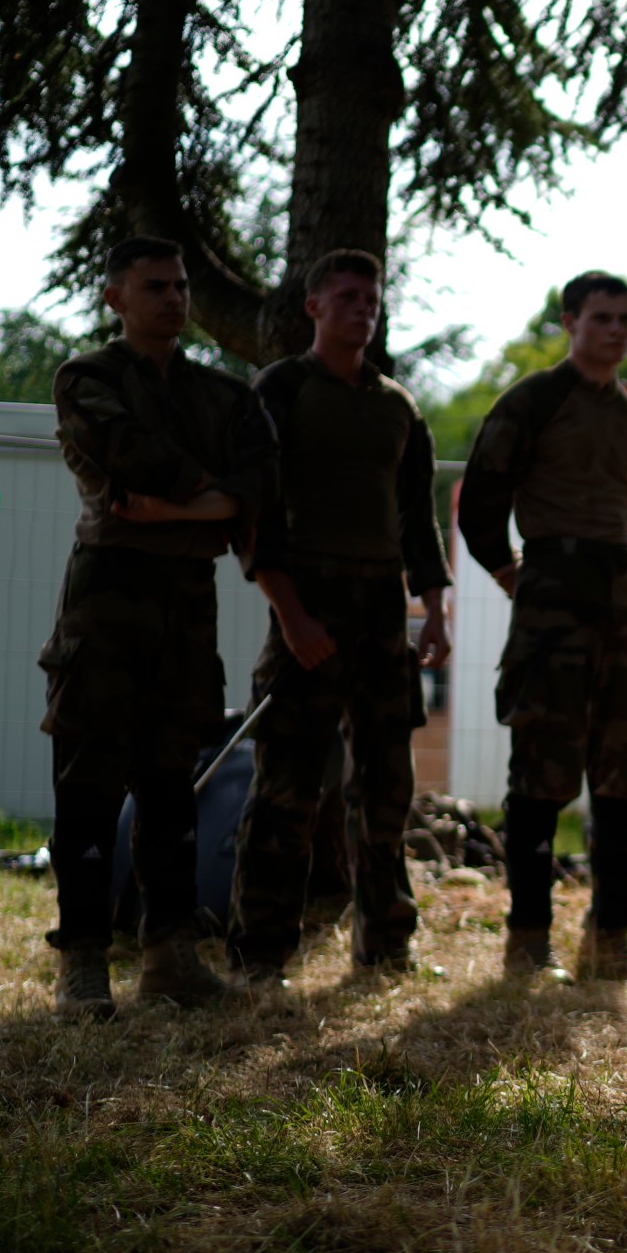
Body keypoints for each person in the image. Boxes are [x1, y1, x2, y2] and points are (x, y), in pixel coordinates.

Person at [40, 235, 275, 1018]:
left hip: (185, 601)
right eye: (155, 286)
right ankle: (82, 961)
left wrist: (186, 507)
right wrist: (215, 501)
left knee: (172, 788)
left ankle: (169, 958)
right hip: (106, 601)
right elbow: (131, 460)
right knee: (90, 789)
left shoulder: (221, 394)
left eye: (180, 286)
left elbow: (258, 485)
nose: (174, 298)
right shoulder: (88, 377)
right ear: (116, 298)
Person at [226, 250, 452, 988]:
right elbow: (252, 515)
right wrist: (289, 616)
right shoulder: (281, 388)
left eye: (372, 298)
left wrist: (436, 611)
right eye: (348, 297)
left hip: (383, 614)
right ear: (314, 307)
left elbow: (417, 518)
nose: (364, 308)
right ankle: (261, 957)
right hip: (308, 608)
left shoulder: (397, 406)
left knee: (386, 793)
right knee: (287, 791)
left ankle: (385, 946)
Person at [459, 270, 627, 984]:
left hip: (623, 598)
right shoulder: (531, 402)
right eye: (602, 318)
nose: (616, 330)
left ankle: (609, 943)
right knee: (541, 775)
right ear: (569, 321)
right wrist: (515, 573)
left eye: (625, 319)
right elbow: (481, 502)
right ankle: (528, 943)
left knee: (623, 775)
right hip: (550, 595)